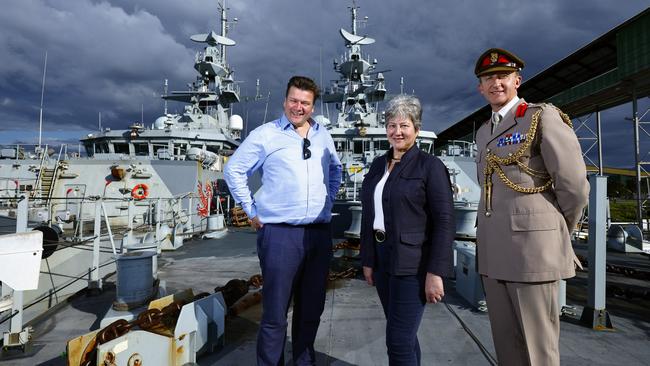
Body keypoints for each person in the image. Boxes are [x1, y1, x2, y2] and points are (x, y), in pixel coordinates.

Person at [474, 48, 590, 365]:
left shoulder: (541, 117)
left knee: (538, 352)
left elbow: (574, 184)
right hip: (494, 255)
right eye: (488, 78)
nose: (495, 83)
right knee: (507, 349)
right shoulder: (485, 131)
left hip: (532, 253)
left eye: (502, 76)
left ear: (517, 81)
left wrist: (555, 231)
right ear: (480, 88)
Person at [224, 75, 342, 366]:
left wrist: (327, 200)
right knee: (275, 313)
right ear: (285, 100)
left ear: (313, 106)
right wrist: (251, 211)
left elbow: (336, 171)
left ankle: (304, 362)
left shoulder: (323, 135)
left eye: (305, 102)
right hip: (280, 235)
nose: (298, 107)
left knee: (311, 309)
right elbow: (234, 170)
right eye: (293, 100)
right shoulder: (266, 134)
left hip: (317, 234)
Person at [360, 94, 455, 365]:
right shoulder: (379, 165)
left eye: (404, 125)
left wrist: (436, 272)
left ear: (416, 128)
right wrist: (368, 260)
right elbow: (370, 215)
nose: (397, 132)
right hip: (382, 260)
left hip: (412, 266)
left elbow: (444, 221)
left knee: (398, 341)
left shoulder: (430, 166)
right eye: (392, 125)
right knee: (405, 336)